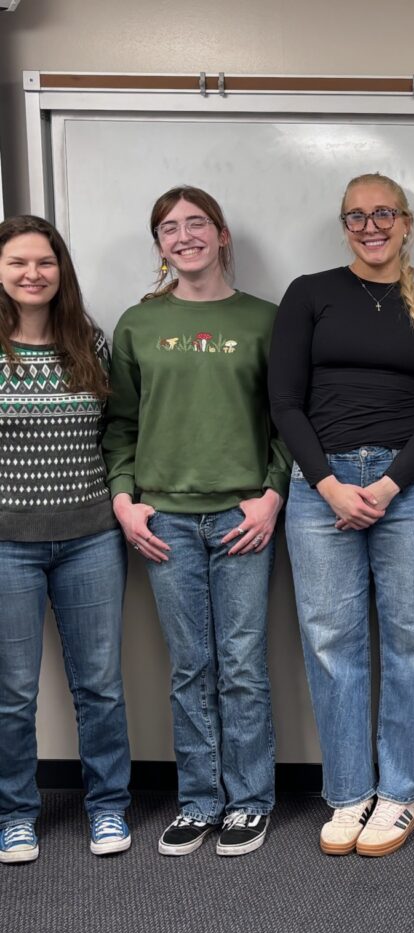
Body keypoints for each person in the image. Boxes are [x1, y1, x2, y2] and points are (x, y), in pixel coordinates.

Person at [270, 173, 414, 858]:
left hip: (412, 489)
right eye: (356, 215)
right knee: (330, 642)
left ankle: (402, 790)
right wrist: (330, 485)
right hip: (323, 487)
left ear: (407, 222)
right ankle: (348, 792)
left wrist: (388, 485)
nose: (370, 226)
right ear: (343, 224)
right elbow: (284, 401)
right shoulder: (309, 293)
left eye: (383, 214)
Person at [103, 186, 289, 857]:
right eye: (170, 228)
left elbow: (285, 419)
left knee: (241, 664)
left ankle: (248, 801)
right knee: (190, 666)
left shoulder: (265, 319)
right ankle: (200, 800)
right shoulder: (136, 323)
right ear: (159, 244)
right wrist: (125, 498)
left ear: (223, 233)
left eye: (197, 224)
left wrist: (272, 494)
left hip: (244, 515)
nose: (185, 236)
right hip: (165, 522)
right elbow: (120, 422)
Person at [0, 216, 130, 865]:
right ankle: (15, 814)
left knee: (99, 683)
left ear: (61, 270)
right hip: (7, 546)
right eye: (18, 262)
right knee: (13, 690)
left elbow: (113, 433)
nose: (32, 274)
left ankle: (108, 807)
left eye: (44, 262)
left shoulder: (90, 342)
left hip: (90, 539)